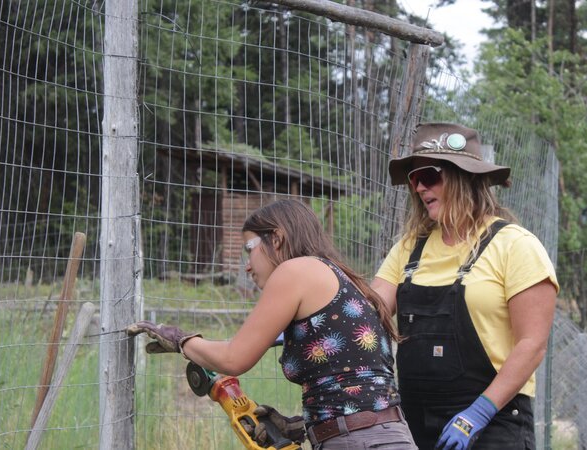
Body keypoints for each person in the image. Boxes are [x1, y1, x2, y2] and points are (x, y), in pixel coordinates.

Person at [127, 199, 418, 449]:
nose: (247, 265)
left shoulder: (295, 270)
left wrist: (181, 340)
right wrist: (305, 425)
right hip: (380, 436)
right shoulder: (338, 277)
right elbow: (354, 381)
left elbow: (234, 358)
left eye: (249, 249)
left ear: (276, 238)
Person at [370, 122, 558, 450]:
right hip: (415, 428)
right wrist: (317, 315)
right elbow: (371, 310)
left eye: (428, 176)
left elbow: (532, 344)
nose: (418, 188)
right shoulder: (409, 247)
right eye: (414, 179)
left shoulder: (515, 245)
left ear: (463, 176)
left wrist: (477, 414)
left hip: (493, 425)